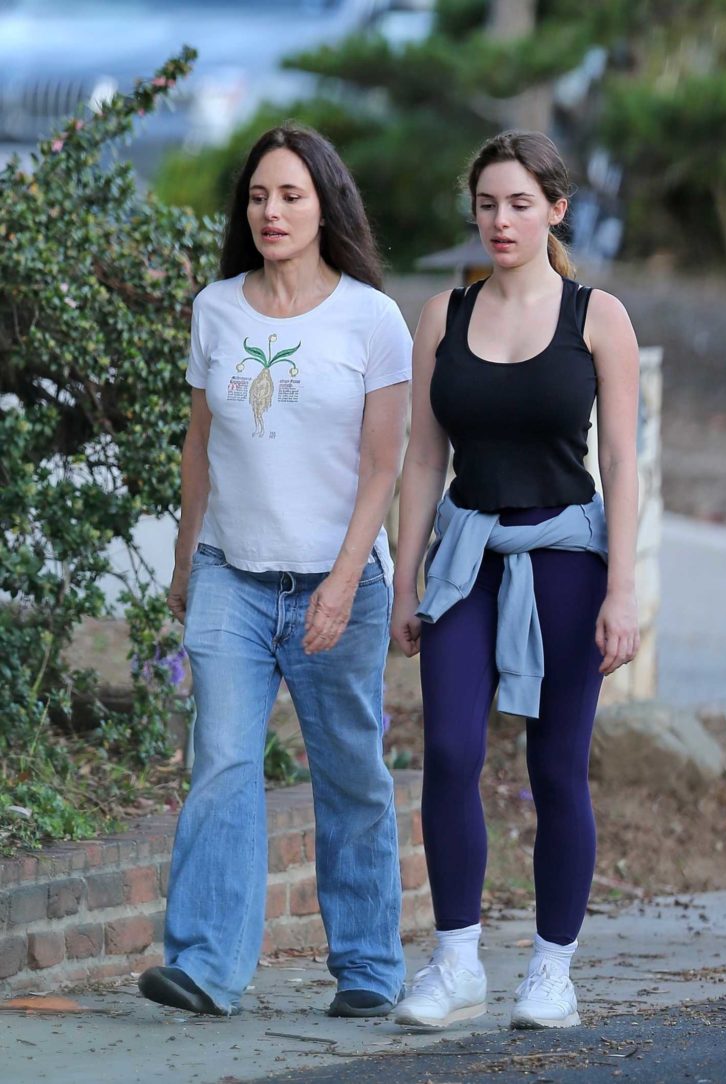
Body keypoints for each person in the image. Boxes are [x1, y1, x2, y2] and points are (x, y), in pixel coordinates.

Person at [138, 124, 411, 1018]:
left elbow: (384, 466)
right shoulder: (216, 309)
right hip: (232, 573)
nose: (271, 211)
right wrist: (185, 560)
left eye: (290, 194)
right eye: (259, 195)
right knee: (219, 761)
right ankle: (208, 966)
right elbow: (198, 447)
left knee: (350, 773)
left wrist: (341, 581)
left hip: (340, 583)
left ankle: (369, 967)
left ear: (325, 203)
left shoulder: (371, 318)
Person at [390, 130, 639, 1030]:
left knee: (556, 767)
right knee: (451, 751)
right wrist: (406, 572)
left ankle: (551, 971)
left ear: (556, 210)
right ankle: (457, 961)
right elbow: (423, 459)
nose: (501, 220)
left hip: (568, 559)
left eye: (520, 204)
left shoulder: (597, 317)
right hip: (466, 560)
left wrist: (622, 588)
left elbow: (620, 461)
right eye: (488, 204)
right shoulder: (442, 317)